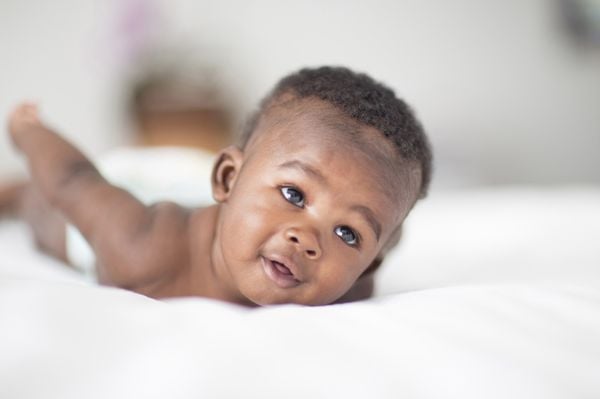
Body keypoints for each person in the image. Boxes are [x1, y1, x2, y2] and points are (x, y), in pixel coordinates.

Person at [5, 66, 432, 306]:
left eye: (348, 233)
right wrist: (29, 132)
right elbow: (72, 179)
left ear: (370, 265)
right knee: (44, 208)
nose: (308, 240)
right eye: (295, 195)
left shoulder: (349, 284)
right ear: (227, 179)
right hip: (120, 187)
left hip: (219, 193)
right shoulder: (143, 249)